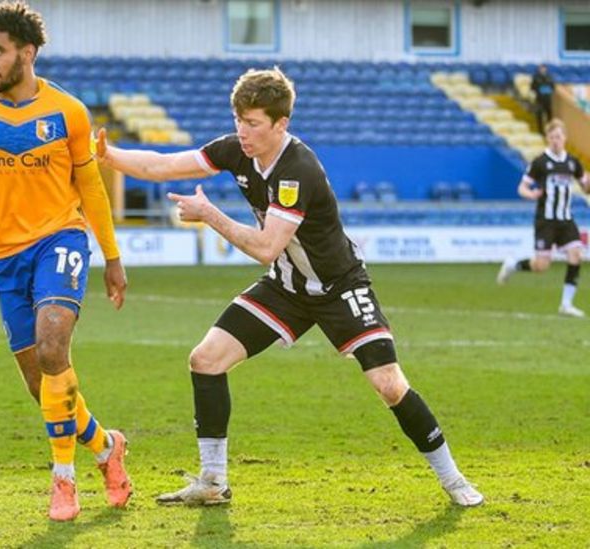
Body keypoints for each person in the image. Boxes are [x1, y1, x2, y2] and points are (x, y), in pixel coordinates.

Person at [97, 67, 484, 508]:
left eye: (253, 123)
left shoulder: (296, 168)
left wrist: (210, 215)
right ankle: (212, 482)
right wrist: (110, 157)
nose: (242, 132)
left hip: (340, 287)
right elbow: (165, 165)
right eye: (239, 120)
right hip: (287, 288)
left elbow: (265, 247)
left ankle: (453, 480)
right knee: (206, 359)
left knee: (389, 385)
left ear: (281, 124)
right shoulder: (236, 149)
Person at [0, 1, 131, 521]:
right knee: (40, 380)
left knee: (53, 347)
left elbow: (90, 188)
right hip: (4, 256)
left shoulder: (67, 111)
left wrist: (112, 257)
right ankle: (107, 449)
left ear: (27, 52)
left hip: (60, 240)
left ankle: (63, 479)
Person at [497, 119, 589, 316]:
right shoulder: (540, 163)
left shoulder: (573, 163)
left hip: (565, 220)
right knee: (541, 266)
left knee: (576, 255)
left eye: (560, 136)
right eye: (553, 137)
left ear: (565, 138)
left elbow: (585, 185)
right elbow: (521, 187)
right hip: (545, 220)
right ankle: (513, 265)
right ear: (547, 139)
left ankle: (566, 304)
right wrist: (531, 194)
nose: (556, 140)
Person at [531, 64, 555, 134]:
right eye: (541, 68)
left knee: (549, 116)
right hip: (539, 99)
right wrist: (539, 89)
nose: (543, 69)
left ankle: (550, 131)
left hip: (548, 99)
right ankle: (540, 131)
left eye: (544, 68)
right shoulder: (535, 77)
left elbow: (553, 87)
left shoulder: (550, 77)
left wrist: (548, 89)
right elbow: (532, 87)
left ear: (546, 69)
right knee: (539, 116)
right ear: (539, 69)